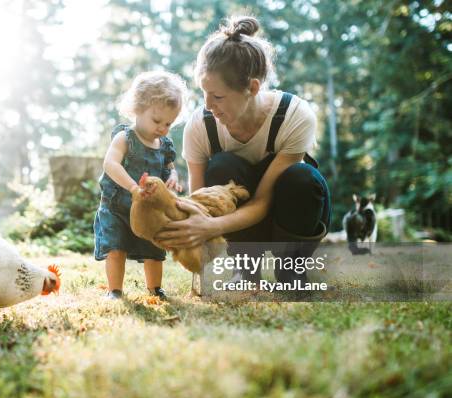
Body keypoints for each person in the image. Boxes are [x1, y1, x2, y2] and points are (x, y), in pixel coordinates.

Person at [156, 16, 331, 284]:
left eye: (218, 96)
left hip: (293, 210)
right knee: (222, 166)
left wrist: (211, 227)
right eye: (204, 93)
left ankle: (291, 271)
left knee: (302, 177)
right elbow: (201, 202)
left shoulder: (295, 115)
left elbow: (263, 202)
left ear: (252, 87)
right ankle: (246, 271)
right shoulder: (201, 126)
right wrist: (186, 230)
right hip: (242, 223)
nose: (209, 106)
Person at [94, 71, 187, 300]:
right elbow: (110, 164)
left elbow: (169, 166)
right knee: (115, 248)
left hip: (148, 210)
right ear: (138, 108)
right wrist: (133, 188)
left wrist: (172, 177)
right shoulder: (125, 138)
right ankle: (114, 290)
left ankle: (155, 288)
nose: (163, 129)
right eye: (157, 121)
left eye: (169, 123)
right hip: (117, 205)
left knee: (154, 252)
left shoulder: (164, 144)